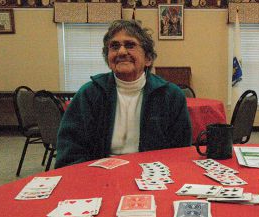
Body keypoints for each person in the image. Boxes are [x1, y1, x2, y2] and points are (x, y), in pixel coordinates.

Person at [55, 19, 192, 168]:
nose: (121, 52)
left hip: (154, 175)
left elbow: (180, 154)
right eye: (114, 46)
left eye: (130, 45)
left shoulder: (172, 96)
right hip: (97, 176)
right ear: (108, 58)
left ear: (148, 58)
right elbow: (70, 153)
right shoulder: (88, 95)